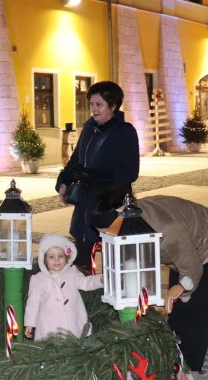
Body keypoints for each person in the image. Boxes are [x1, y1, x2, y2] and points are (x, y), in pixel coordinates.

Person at [91, 184, 208, 380]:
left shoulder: (166, 229)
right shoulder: (131, 221)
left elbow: (192, 268)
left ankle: (187, 376)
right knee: (175, 315)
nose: (110, 238)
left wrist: (178, 289)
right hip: (184, 251)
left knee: (193, 313)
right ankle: (173, 365)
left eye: (111, 232)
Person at [56, 81, 139, 269]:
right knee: (82, 257)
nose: (93, 109)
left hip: (110, 205)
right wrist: (63, 182)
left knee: (115, 262)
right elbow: (75, 161)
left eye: (99, 104)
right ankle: (85, 284)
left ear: (113, 106)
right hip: (85, 205)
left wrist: (92, 176)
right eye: (91, 104)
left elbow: (130, 172)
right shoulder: (88, 129)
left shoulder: (125, 132)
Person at [23, 234, 103, 341]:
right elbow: (33, 303)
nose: (56, 260)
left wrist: (100, 280)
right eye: (51, 257)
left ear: (66, 257)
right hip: (49, 325)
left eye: (60, 256)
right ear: (44, 259)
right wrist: (29, 323)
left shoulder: (72, 273)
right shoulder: (38, 279)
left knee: (73, 343)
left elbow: (85, 283)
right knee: (51, 345)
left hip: (72, 322)